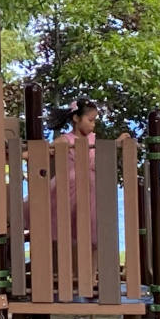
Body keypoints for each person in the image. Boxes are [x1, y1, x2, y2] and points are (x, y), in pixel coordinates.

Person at [48, 99, 100, 244]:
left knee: (92, 232)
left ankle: (93, 266)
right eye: (90, 120)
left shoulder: (94, 139)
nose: (93, 124)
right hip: (71, 188)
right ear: (76, 118)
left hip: (91, 188)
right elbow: (47, 150)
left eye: (94, 121)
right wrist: (26, 154)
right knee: (69, 227)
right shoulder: (66, 140)